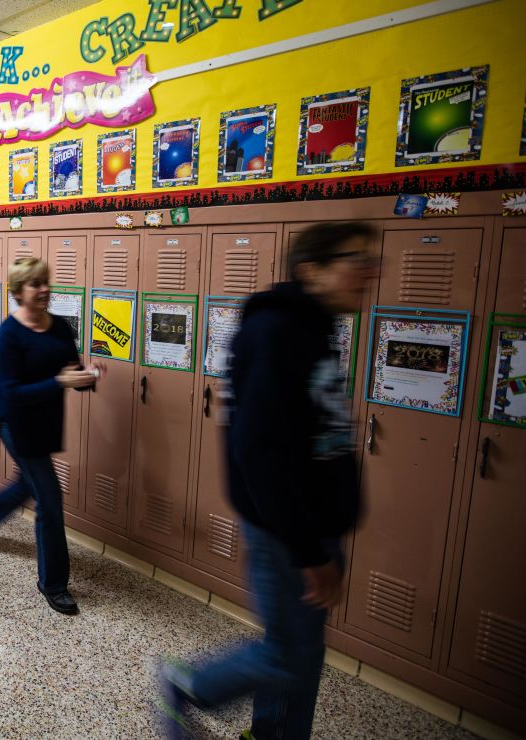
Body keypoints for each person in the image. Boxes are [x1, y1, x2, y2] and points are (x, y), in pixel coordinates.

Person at [159, 221, 378, 739]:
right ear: (312, 270)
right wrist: (308, 551)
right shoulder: (275, 332)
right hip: (286, 530)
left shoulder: (317, 328)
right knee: (287, 654)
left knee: (302, 654)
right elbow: (259, 453)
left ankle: (271, 731)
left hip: (311, 525)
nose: (370, 272)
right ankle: (190, 685)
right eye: (356, 259)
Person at [0, 257, 101, 615]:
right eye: (34, 284)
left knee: (30, 483)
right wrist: (59, 382)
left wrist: (87, 376)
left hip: (45, 420)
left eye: (45, 282)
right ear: (18, 292)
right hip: (15, 422)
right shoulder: (8, 336)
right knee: (50, 499)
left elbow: (70, 370)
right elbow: (12, 393)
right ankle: (53, 584)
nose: (43, 290)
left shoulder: (58, 327)